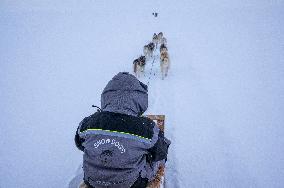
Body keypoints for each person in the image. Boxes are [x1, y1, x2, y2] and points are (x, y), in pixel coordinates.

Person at [75, 72, 171, 188]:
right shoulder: (146, 128)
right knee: (158, 156)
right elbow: (160, 152)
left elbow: (80, 144)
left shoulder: (87, 123)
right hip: (133, 184)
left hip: (92, 182)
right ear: (139, 99)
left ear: (107, 96)